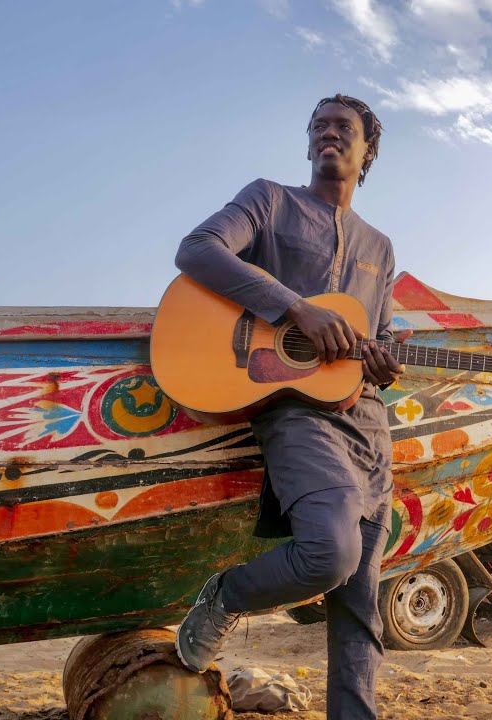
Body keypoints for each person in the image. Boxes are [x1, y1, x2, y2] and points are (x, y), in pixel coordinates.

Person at [171, 94, 406, 720]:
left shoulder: (380, 248)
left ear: (367, 152)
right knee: (330, 554)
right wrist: (293, 307)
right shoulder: (270, 200)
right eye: (319, 127)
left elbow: (375, 341)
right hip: (297, 413)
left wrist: (383, 362)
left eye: (345, 129)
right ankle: (227, 596)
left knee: (361, 612)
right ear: (308, 145)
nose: (329, 134)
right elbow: (198, 249)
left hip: (369, 427)